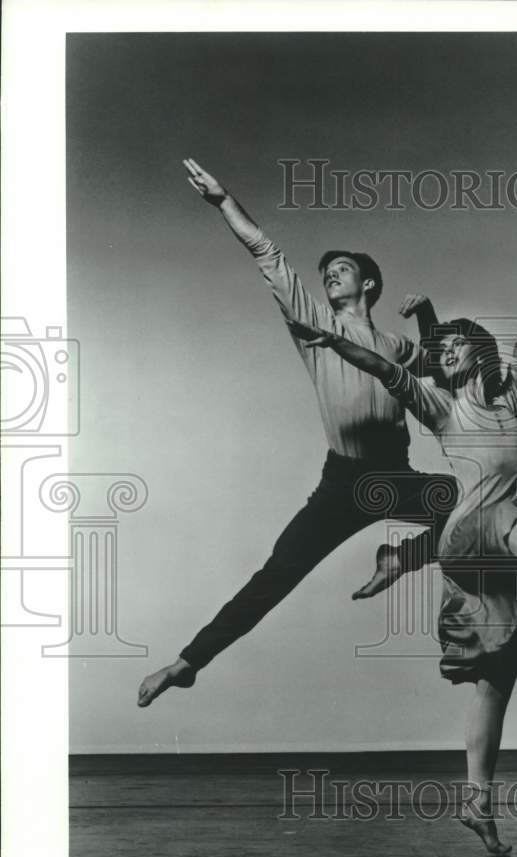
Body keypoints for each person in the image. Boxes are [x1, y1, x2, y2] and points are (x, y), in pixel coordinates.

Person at [288, 284, 517, 853]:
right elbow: (385, 369)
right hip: (474, 531)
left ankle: (477, 802)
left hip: (504, 559)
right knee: (506, 515)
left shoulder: (508, 401)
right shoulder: (440, 406)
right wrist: (337, 343)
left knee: (497, 681)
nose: (444, 353)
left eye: (455, 346)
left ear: (480, 354)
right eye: (441, 350)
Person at [137, 160, 456, 708]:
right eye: (326, 271)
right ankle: (187, 663)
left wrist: (427, 313)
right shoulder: (314, 326)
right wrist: (224, 201)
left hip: (394, 478)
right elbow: (268, 254)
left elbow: (444, 368)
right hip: (343, 482)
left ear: (368, 283)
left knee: (471, 500)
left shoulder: (396, 345)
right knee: (279, 573)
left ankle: (401, 560)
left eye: (341, 269)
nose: (330, 274)